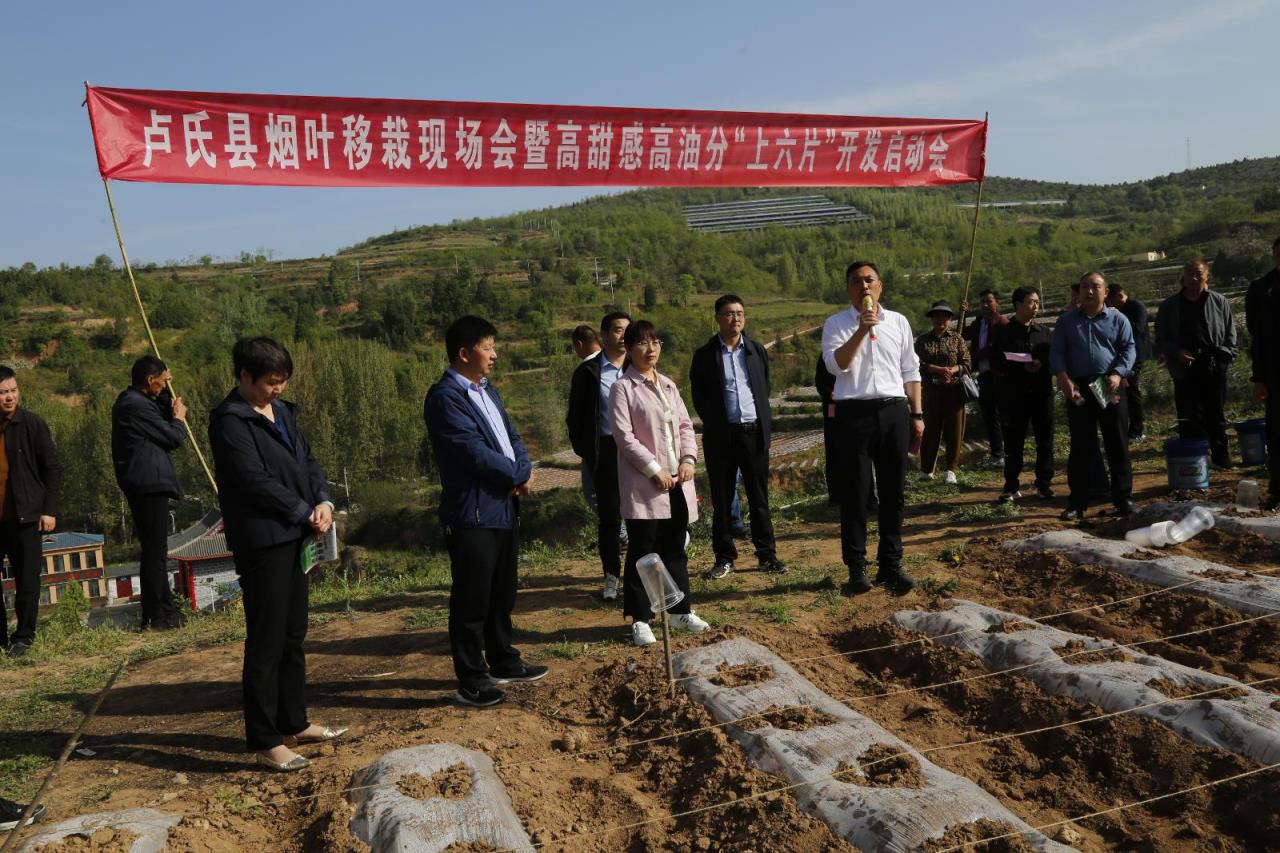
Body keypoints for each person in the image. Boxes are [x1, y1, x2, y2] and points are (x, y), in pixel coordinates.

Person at [208, 337, 345, 771]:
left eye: (282, 381)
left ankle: (295, 718)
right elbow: (254, 480)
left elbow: (308, 461)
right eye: (270, 382)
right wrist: (303, 511)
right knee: (266, 639)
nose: (278, 390)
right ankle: (266, 736)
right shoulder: (230, 421)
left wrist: (322, 500)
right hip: (264, 540)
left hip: (299, 534)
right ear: (245, 377)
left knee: (293, 633)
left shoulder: (283, 413)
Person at [426, 316, 547, 707]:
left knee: (501, 591)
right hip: (473, 512)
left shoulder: (487, 391)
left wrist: (523, 469)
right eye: (487, 347)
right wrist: (515, 473)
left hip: (503, 505)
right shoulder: (445, 398)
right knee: (472, 599)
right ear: (464, 353)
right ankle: (472, 679)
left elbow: (511, 436)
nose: (494, 355)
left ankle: (503, 660)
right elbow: (471, 451)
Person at [822, 261, 923, 596]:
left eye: (870, 281)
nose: (864, 287)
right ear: (848, 289)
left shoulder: (899, 321)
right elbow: (837, 365)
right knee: (856, 493)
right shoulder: (836, 324)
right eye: (856, 282)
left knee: (894, 491)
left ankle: (891, 565)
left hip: (894, 409)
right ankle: (856, 568)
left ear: (880, 286)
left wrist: (917, 413)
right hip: (854, 413)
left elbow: (911, 370)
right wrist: (862, 329)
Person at [610, 320, 709, 647]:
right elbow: (625, 438)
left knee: (675, 549)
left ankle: (681, 611)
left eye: (654, 342)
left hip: (678, 483)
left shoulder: (668, 385)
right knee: (643, 551)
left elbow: (684, 426)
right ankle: (640, 618)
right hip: (645, 485)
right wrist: (655, 470)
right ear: (629, 348)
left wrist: (688, 460)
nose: (649, 349)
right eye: (641, 343)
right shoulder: (623, 388)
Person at [690, 294, 784, 579]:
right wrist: (717, 424)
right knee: (722, 498)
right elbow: (700, 397)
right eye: (729, 313)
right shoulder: (705, 355)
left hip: (754, 433)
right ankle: (724, 558)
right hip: (722, 436)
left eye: (740, 313)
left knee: (759, 498)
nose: (736, 318)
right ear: (718, 318)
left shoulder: (755, 350)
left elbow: (762, 388)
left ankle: (767, 556)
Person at [1051, 272, 1137, 521]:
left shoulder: (1119, 319)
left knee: (1117, 443)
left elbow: (1129, 348)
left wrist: (1118, 374)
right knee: (1081, 445)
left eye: (1095, 287)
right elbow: (1057, 352)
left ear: (1105, 292)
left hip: (1109, 384)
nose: (1089, 291)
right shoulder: (1066, 321)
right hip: (1079, 387)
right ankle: (1077, 502)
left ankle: (1123, 498)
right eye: (1084, 287)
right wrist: (1062, 377)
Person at [111, 356, 188, 631]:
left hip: (146, 482)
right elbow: (172, 437)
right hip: (147, 484)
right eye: (162, 381)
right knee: (155, 553)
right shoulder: (134, 406)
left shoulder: (137, 402)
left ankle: (164, 611)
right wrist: (179, 419)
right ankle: (157, 615)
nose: (164, 385)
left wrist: (167, 395)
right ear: (149, 381)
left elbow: (159, 411)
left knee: (155, 551)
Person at [566, 312, 630, 601]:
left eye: (628, 331)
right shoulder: (588, 372)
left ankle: (641, 577)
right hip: (605, 450)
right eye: (617, 330)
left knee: (641, 516)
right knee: (609, 518)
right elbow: (576, 418)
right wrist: (588, 453)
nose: (623, 336)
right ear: (604, 335)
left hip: (637, 452)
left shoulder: (637, 366)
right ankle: (611, 577)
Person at [0, 365, 60, 658]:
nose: (9, 397)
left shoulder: (32, 424)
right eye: (2, 392)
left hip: (27, 516)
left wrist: (48, 510)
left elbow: (51, 469)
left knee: (27, 580)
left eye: (13, 391)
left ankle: (23, 636)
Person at [1156, 258, 1238, 469]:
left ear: (1206, 276)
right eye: (1189, 274)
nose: (1193, 278)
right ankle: (1195, 462)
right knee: (1189, 416)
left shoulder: (1218, 301)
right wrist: (1177, 352)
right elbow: (1161, 339)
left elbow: (1230, 333)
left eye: (1198, 274)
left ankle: (1221, 458)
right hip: (1184, 368)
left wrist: (1226, 356)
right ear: (1183, 276)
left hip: (1213, 365)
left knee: (1216, 414)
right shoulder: (1169, 306)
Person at [994, 286, 1055, 502]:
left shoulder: (1045, 333)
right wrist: (1022, 365)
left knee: (1045, 440)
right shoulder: (1003, 332)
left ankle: (1044, 484)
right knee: (1014, 443)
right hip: (1015, 395)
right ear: (1018, 304)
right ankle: (1011, 486)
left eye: (1037, 302)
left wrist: (1041, 363)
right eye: (1031, 301)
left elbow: (1054, 361)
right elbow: (997, 360)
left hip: (1041, 393)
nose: (1035, 306)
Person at [914, 301, 970, 486]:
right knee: (930, 431)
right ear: (932, 318)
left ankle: (951, 469)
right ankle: (927, 470)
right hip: (931, 392)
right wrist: (935, 369)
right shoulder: (922, 341)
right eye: (937, 316)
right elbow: (914, 365)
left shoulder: (957, 339)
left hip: (954, 392)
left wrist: (952, 370)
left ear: (949, 319)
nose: (941, 320)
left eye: (944, 316)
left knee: (954, 431)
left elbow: (967, 363)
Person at [1246, 237, 1280, 507]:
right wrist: (1259, 378)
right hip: (1273, 371)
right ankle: (1278, 491)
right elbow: (1257, 338)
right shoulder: (1260, 289)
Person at [960, 289, 1009, 466]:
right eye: (982, 302)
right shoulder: (979, 322)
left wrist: (972, 359)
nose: (985, 305)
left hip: (999, 375)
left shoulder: (1002, 324)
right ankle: (998, 453)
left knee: (1001, 415)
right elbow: (963, 334)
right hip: (984, 376)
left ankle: (1005, 452)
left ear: (997, 303)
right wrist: (963, 314)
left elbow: (992, 349)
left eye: (989, 301)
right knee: (989, 415)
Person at [1106, 284, 1151, 443]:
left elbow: (1137, 328)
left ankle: (1137, 430)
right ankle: (1126, 428)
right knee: (1125, 392)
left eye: (1111, 300)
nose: (1111, 305)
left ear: (1119, 295)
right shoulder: (1120, 309)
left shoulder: (1136, 307)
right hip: (1123, 356)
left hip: (1136, 355)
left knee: (1132, 392)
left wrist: (1119, 320)